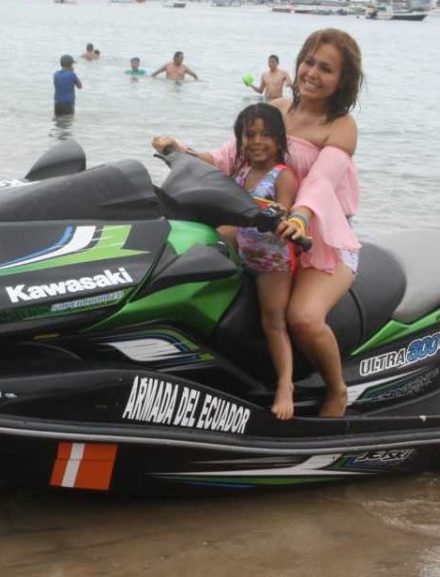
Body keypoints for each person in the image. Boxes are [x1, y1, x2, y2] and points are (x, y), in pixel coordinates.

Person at [153, 28, 364, 417]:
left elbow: (321, 182)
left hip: (317, 240)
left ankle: (336, 389)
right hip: (268, 229)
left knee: (302, 318)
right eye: (310, 62)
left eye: (327, 69)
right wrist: (179, 152)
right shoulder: (279, 109)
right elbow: (228, 157)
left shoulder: (341, 125)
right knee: (195, 250)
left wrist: (299, 217)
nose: (313, 73)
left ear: (343, 80)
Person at [229, 103, 303, 420]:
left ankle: (285, 386)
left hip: (273, 262)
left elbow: (283, 212)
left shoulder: (282, 176)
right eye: (250, 134)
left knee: (272, 323)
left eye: (266, 135)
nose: (257, 141)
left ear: (280, 141)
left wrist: (272, 211)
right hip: (245, 253)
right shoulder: (242, 172)